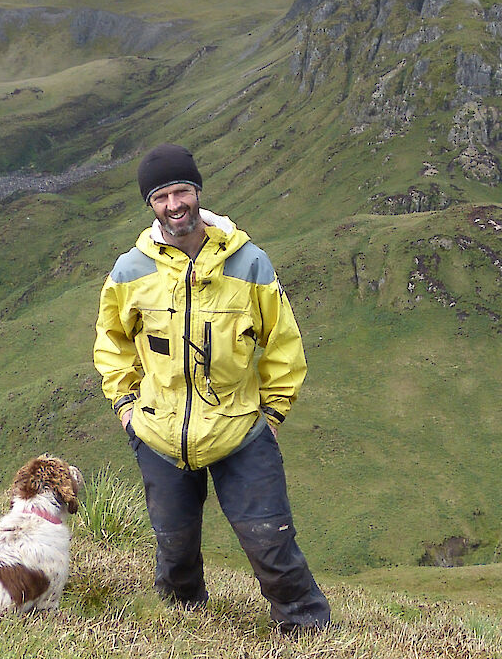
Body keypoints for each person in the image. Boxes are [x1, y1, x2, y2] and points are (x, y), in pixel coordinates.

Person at [93, 143, 331, 633]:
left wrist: (274, 414)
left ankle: (305, 625)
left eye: (181, 191)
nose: (174, 204)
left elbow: (283, 342)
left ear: (197, 193)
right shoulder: (129, 271)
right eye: (161, 197)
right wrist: (126, 408)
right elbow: (111, 341)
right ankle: (183, 621)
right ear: (151, 206)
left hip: (239, 432)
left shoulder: (248, 263)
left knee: (270, 540)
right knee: (174, 545)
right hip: (159, 434)